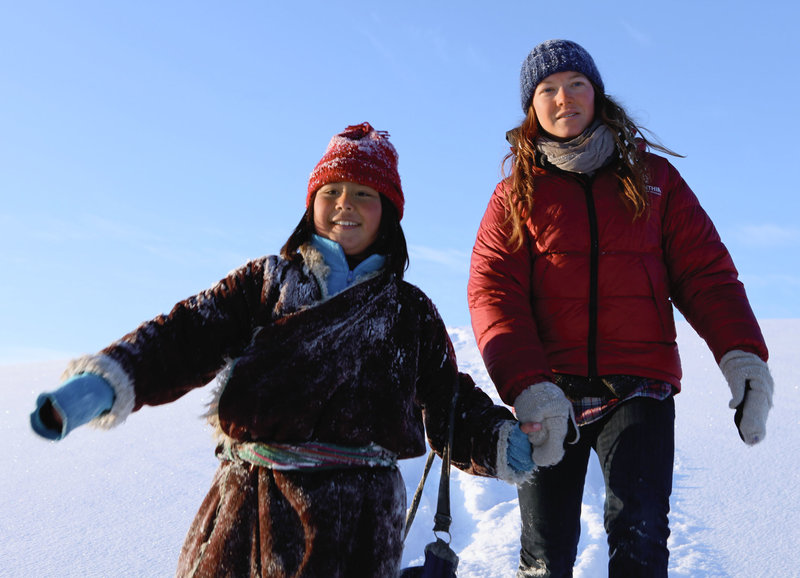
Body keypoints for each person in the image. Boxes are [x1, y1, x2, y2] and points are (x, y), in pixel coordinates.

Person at [30, 122, 540, 577]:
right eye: (332, 190)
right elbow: (183, 336)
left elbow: (448, 404)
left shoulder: (408, 311)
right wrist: (107, 380)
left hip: (359, 526)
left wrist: (498, 439)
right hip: (248, 511)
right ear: (311, 202)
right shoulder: (264, 284)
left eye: (364, 192)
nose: (345, 204)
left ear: (388, 212)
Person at [467, 40, 774, 578]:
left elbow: (706, 275)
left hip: (640, 388)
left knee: (641, 537)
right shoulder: (514, 196)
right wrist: (528, 386)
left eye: (576, 84)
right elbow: (494, 293)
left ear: (597, 93)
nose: (564, 98)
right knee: (545, 554)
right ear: (531, 108)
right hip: (549, 393)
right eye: (548, 90)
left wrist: (742, 356)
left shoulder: (655, 181)